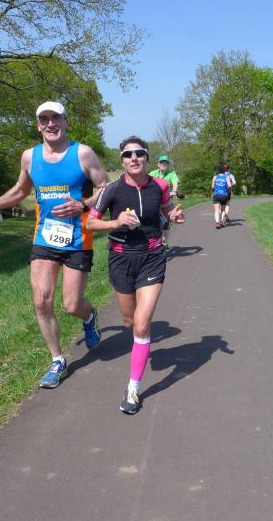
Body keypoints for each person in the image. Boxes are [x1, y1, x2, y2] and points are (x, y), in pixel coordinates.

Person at [0, 101, 109, 389]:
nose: (51, 123)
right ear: (38, 125)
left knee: (71, 304)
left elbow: (105, 187)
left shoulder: (82, 153)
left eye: (56, 118)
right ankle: (57, 361)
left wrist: (84, 204)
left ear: (65, 121)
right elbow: (21, 190)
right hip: (44, 238)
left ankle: (89, 315)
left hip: (77, 238)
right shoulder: (30, 156)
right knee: (40, 300)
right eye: (44, 119)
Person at [86, 136, 185, 414]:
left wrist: (174, 215)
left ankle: (133, 388)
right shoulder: (112, 190)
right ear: (122, 160)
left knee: (142, 323)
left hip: (153, 258)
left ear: (147, 157)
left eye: (139, 153)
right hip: (121, 259)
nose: (134, 158)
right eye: (128, 154)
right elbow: (91, 223)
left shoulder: (159, 186)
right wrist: (116, 222)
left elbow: (166, 208)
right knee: (130, 321)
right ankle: (142, 344)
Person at [149, 155, 180, 248]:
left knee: (166, 223)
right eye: (161, 162)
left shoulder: (172, 173)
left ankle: (165, 242)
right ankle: (153, 242)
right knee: (153, 222)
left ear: (168, 165)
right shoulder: (153, 173)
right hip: (154, 202)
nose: (163, 164)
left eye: (166, 163)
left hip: (166, 202)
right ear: (158, 164)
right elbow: (145, 181)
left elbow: (175, 183)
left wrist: (174, 191)